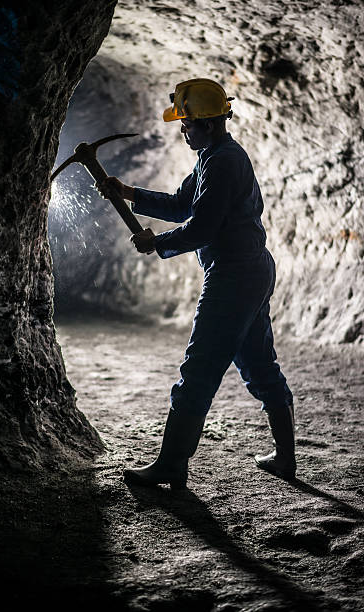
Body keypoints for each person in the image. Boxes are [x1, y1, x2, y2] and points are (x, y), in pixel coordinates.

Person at [99, 78, 296, 488]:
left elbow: (203, 227)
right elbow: (182, 205)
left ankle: (171, 464)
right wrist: (128, 192)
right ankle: (285, 458)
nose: (182, 130)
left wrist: (158, 243)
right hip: (250, 270)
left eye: (185, 123)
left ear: (205, 123)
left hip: (235, 276)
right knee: (259, 365)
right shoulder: (212, 155)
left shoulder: (223, 162)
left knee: (199, 368)